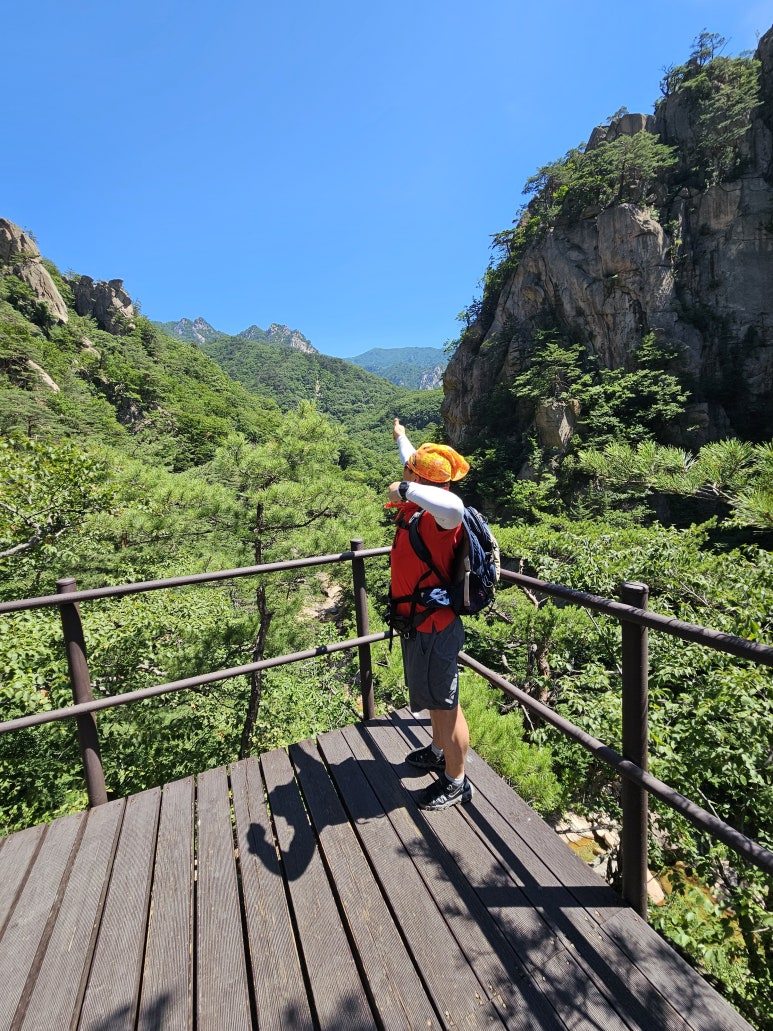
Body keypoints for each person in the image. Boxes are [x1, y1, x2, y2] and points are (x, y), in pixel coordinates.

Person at [387, 417, 474, 811]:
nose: (405, 470)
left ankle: (456, 782)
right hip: (419, 624)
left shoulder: (441, 519)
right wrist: (402, 437)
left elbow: (455, 505)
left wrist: (405, 488)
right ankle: (439, 752)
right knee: (436, 701)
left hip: (435, 626)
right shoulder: (421, 506)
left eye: (411, 472)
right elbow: (413, 462)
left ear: (420, 481)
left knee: (447, 706)